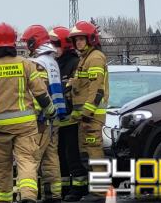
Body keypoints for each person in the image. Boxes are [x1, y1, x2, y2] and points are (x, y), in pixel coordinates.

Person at [0, 22, 57, 203]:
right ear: (14, 43)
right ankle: (29, 197)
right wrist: (51, 112)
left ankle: (5, 200)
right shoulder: (26, 65)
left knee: (2, 168)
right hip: (25, 126)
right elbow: (41, 93)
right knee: (27, 162)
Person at [20, 25, 66, 203]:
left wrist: (37, 116)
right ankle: (53, 195)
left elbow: (38, 92)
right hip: (54, 118)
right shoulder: (52, 61)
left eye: (28, 42)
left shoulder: (37, 63)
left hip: (42, 119)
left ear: (34, 41)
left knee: (32, 159)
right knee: (51, 157)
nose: (26, 47)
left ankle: (29, 196)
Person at [67, 21, 109, 203]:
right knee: (86, 153)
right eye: (76, 40)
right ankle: (96, 191)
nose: (78, 43)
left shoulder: (95, 58)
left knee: (94, 153)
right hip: (84, 118)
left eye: (81, 39)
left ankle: (100, 193)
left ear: (90, 39)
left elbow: (96, 88)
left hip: (91, 118)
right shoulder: (85, 58)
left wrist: (87, 111)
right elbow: (83, 85)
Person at [48, 26, 88, 200]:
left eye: (56, 43)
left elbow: (73, 89)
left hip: (72, 120)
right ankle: (65, 188)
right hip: (58, 120)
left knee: (73, 155)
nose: (52, 47)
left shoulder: (74, 63)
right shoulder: (53, 64)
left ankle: (79, 188)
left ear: (64, 44)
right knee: (60, 156)